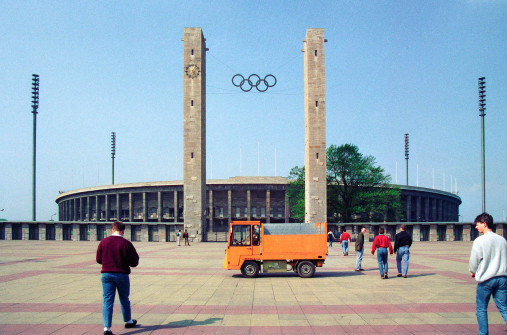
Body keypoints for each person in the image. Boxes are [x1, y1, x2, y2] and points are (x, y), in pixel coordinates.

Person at [96, 221, 139, 335]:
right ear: (123, 231)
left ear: (112, 230)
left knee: (107, 301)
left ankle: (107, 328)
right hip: (122, 275)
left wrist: (108, 263)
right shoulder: (126, 243)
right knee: (124, 298)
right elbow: (134, 261)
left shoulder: (103, 242)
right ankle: (128, 321)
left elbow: (98, 259)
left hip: (106, 275)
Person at [469, 212, 507, 335]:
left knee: (481, 309)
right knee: (503, 307)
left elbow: (474, 259)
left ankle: (483, 333)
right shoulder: (502, 240)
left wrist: (472, 271)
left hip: (486, 279)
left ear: (484, 224)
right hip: (502, 278)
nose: (476, 227)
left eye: (478, 224)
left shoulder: (479, 241)